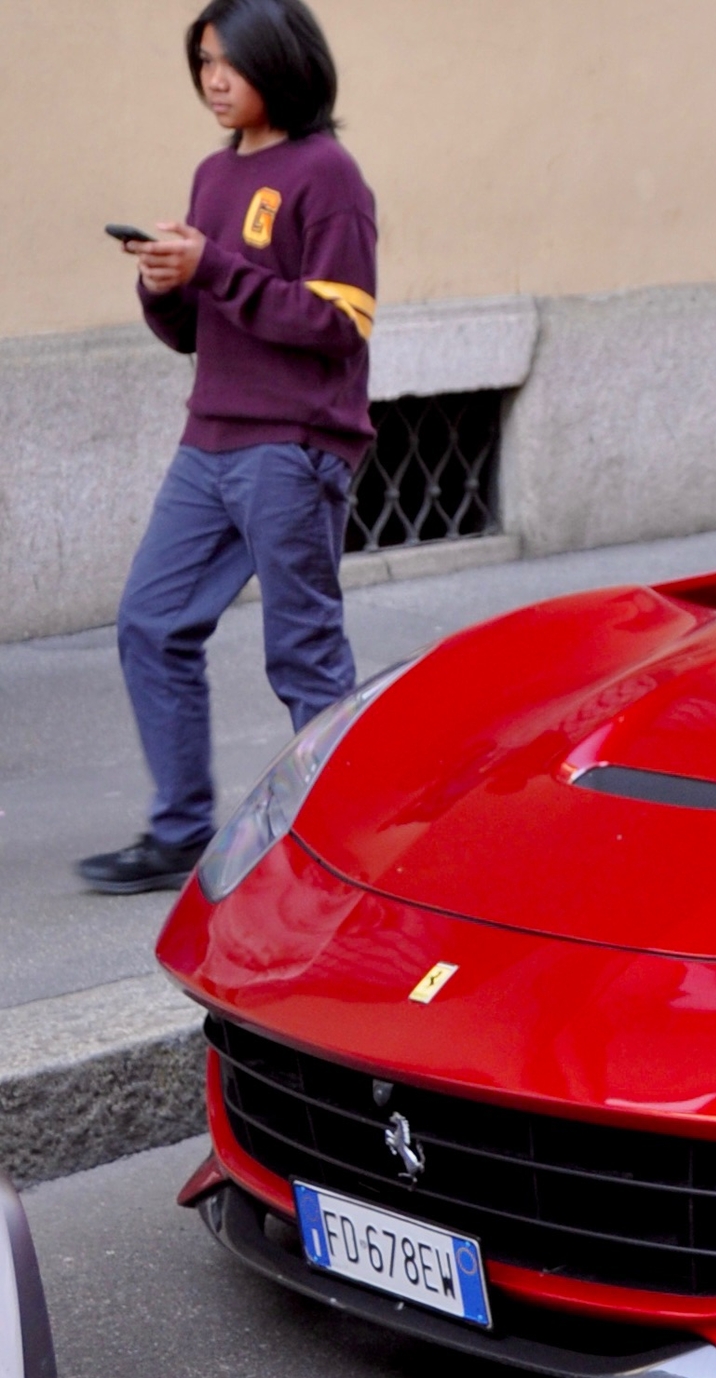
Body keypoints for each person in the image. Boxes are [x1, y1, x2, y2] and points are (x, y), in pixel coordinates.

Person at [78, 0, 375, 895]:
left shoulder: (329, 175)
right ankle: (179, 832)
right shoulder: (213, 176)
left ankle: (337, 840)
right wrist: (165, 283)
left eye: (229, 62)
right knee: (152, 620)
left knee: (303, 652)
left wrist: (213, 268)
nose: (212, 79)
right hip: (208, 439)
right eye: (202, 61)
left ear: (278, 64)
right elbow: (194, 332)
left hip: (294, 444)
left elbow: (338, 323)